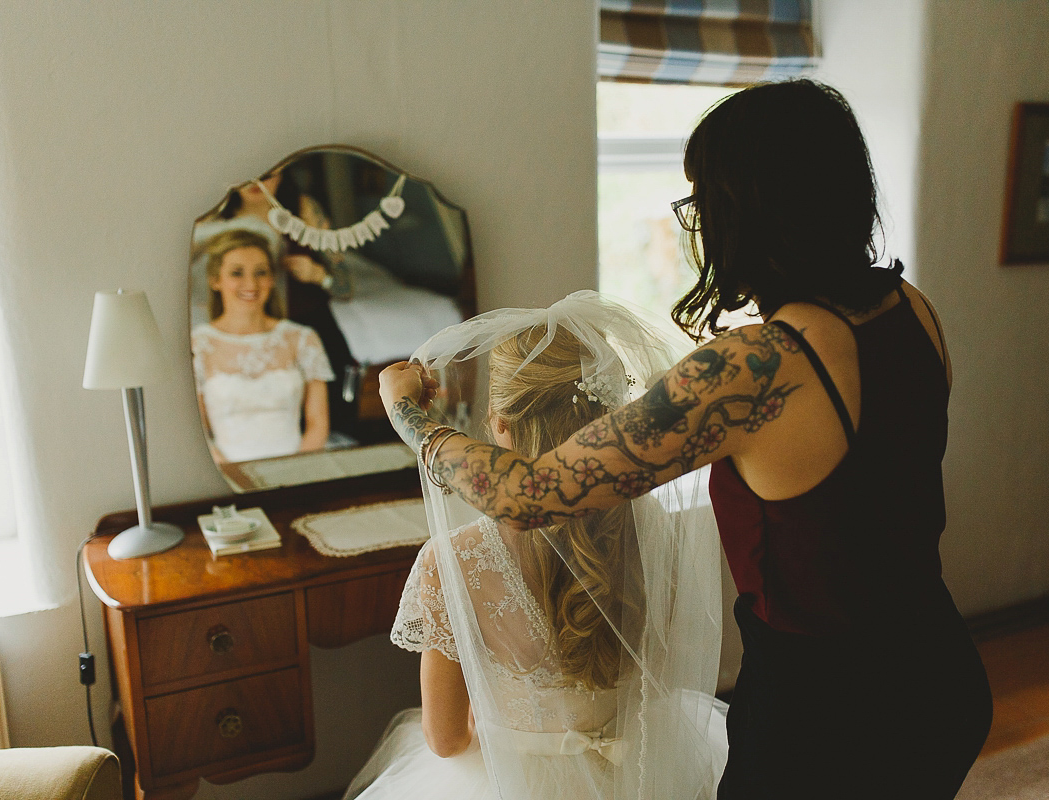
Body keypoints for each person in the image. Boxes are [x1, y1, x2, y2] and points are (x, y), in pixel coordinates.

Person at [379, 79, 993, 799]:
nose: (695, 220)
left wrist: (413, 417)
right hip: (940, 675)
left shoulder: (755, 368)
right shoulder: (911, 308)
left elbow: (527, 495)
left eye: (701, 199)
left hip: (826, 717)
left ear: (748, 210)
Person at [348, 293, 728, 800]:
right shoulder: (650, 529)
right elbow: (662, 673)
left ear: (498, 426)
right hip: (643, 775)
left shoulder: (454, 562)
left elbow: (444, 740)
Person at [201, 168, 359, 437]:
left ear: (283, 171)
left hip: (314, 325)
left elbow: (347, 288)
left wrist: (318, 275)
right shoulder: (216, 219)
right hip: (255, 334)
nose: (256, 183)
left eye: (267, 175)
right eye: (247, 174)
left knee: (331, 421)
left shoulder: (304, 210)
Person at [192, 229, 334, 462]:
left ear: (271, 279)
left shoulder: (302, 339)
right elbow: (198, 434)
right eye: (237, 273)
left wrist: (296, 475)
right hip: (228, 475)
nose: (251, 283)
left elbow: (318, 424)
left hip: (299, 468)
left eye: (261, 272)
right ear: (215, 280)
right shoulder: (198, 345)